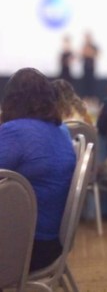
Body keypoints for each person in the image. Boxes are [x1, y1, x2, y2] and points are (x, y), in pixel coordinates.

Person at [0, 68, 76, 272]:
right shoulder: (62, 130)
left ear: (10, 100)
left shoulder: (14, 132)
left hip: (22, 250)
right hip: (53, 244)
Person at [81, 31, 99, 99]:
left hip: (91, 67)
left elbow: (97, 54)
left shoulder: (93, 46)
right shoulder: (84, 46)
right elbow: (81, 54)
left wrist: (89, 53)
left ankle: (92, 97)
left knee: (92, 83)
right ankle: (86, 97)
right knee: (85, 83)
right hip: (85, 67)